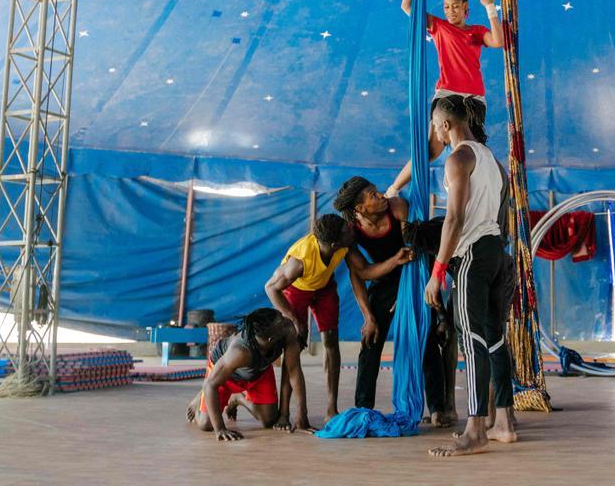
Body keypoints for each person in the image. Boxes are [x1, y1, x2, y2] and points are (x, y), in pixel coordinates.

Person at [423, 94, 518, 456]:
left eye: (434, 126)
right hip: (496, 251)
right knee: (494, 338)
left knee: (471, 339)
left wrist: (438, 271)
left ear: (445, 125)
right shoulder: (492, 159)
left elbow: (454, 219)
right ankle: (504, 423)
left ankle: (476, 428)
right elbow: (503, 213)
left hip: (473, 254)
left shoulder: (458, 158)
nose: (434, 132)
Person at [265, 213, 409, 423]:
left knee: (331, 341)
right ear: (333, 244)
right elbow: (270, 288)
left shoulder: (345, 244)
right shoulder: (299, 261)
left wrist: (396, 260)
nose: (352, 228)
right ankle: (285, 413)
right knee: (293, 346)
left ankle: (331, 408)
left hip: (324, 287)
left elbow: (365, 272)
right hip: (297, 290)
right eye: (347, 229)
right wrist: (294, 320)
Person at [333, 176, 450, 426]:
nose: (381, 196)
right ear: (359, 209)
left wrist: (406, 294)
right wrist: (368, 317)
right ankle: (363, 409)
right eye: (373, 195)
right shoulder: (350, 232)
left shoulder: (397, 208)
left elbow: (415, 250)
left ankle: (438, 409)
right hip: (384, 277)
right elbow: (362, 273)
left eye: (378, 191)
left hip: (414, 274)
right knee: (370, 341)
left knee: (425, 338)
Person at [389, 0, 504, 198]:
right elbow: (406, 6)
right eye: (446, 7)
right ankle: (394, 189)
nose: (450, 11)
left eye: (455, 7)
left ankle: (474, 196)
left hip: (473, 97)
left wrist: (490, 7)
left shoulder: (476, 31)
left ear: (466, 9)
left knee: (473, 150)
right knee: (432, 150)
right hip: (448, 94)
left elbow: (498, 41)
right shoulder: (439, 27)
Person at [185, 308, 307, 440]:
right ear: (272, 339)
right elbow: (211, 385)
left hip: (260, 371)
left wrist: (299, 415)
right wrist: (220, 429)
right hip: (227, 377)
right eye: (281, 321)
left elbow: (293, 371)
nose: (286, 321)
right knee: (206, 425)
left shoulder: (287, 329)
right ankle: (200, 398)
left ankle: (237, 398)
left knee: (269, 421)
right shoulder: (239, 351)